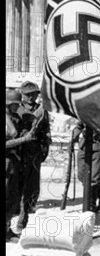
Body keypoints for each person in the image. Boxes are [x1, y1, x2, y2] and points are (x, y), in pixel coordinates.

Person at [15, 81, 51, 232]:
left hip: (34, 151)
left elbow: (46, 130)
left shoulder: (42, 110)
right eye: (27, 94)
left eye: (33, 94)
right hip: (18, 152)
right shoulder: (15, 108)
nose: (31, 97)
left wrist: (46, 146)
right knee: (16, 185)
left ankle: (24, 219)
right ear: (22, 95)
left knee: (32, 185)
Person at [6, 90, 36, 241]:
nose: (17, 108)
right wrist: (24, 139)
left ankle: (7, 229)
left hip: (13, 163)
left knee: (12, 198)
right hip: (6, 163)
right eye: (15, 105)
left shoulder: (12, 118)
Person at [72, 121, 100, 212]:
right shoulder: (85, 110)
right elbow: (79, 125)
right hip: (84, 146)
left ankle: (91, 205)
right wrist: (74, 136)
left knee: (93, 178)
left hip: (99, 147)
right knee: (81, 176)